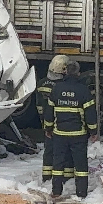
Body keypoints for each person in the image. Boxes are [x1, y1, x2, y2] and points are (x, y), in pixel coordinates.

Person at [44, 60, 98, 199]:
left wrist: (48, 129)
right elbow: (90, 114)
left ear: (65, 72)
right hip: (78, 135)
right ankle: (81, 193)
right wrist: (93, 131)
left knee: (58, 163)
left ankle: (56, 191)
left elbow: (49, 112)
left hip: (59, 134)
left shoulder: (56, 89)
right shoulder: (83, 90)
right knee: (80, 164)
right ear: (78, 73)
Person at [36, 55, 70, 183]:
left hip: (46, 122)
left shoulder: (42, 83)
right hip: (59, 123)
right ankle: (65, 177)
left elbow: (39, 105)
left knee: (49, 150)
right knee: (63, 151)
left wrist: (44, 124)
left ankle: (46, 176)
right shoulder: (61, 87)